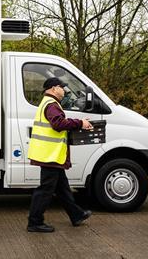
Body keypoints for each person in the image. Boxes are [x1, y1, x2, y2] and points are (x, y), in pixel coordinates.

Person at [27, 77, 93, 233]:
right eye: (62, 87)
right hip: (49, 155)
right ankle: (34, 222)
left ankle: (76, 215)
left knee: (62, 188)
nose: (64, 90)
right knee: (45, 190)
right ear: (53, 88)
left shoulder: (50, 103)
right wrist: (80, 123)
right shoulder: (51, 104)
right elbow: (58, 124)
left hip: (52, 155)